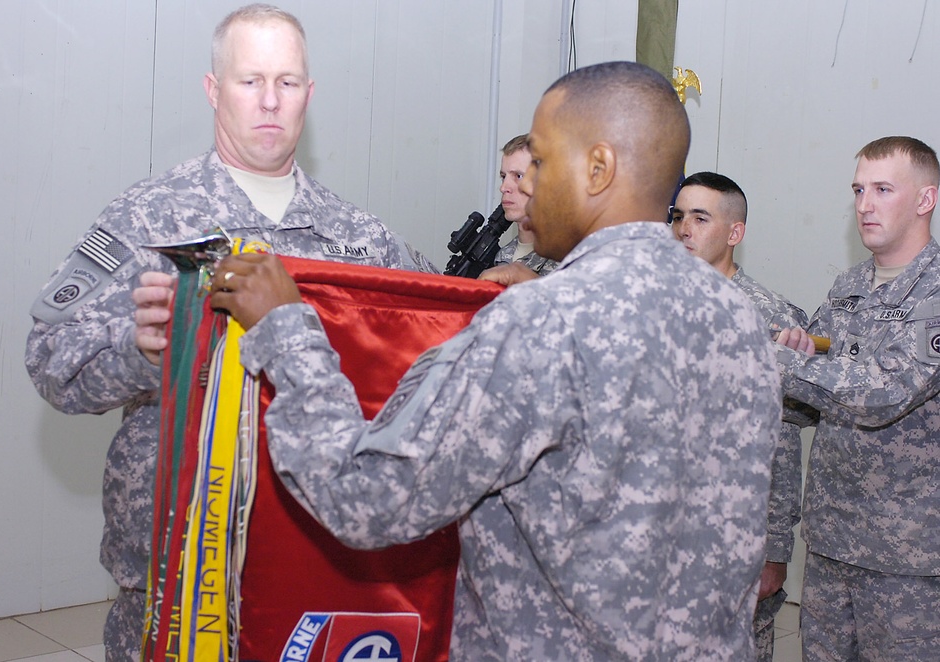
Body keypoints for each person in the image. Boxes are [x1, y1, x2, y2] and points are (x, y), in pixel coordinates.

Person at [194, 61, 782, 660]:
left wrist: (286, 331)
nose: (527, 190)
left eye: (543, 165)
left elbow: (368, 499)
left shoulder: (543, 321)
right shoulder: (742, 322)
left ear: (598, 169)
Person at [24, 5, 436, 661]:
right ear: (214, 90)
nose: (270, 101)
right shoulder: (149, 218)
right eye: (249, 81)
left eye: (288, 81)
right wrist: (142, 353)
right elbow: (50, 361)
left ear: (310, 93)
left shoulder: (359, 239)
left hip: (317, 564)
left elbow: (432, 347)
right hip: (178, 573)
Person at [775, 136, 940, 661]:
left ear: (925, 200)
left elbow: (884, 393)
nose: (864, 204)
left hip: (906, 556)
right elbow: (807, 401)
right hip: (830, 539)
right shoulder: (849, 287)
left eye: (883, 189)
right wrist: (796, 351)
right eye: (857, 189)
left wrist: (774, 361)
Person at [671, 171, 809, 661]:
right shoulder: (663, 304)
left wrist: (774, 551)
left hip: (735, 542)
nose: (684, 229)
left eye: (701, 218)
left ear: (735, 233)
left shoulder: (767, 317)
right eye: (678, 216)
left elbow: (783, 444)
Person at [486, 134, 559, 280]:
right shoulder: (503, 256)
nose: (504, 187)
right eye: (503, 176)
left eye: (518, 176)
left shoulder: (573, 257)